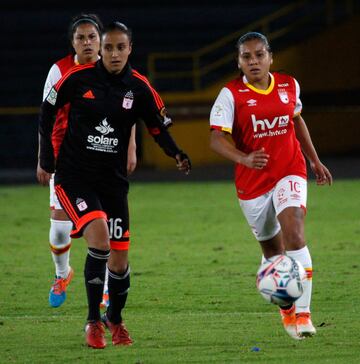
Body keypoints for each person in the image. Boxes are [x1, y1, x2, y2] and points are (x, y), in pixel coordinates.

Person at [37, 21, 191, 349]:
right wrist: (46, 158)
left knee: (119, 263)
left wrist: (175, 152)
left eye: (120, 47)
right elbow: (46, 112)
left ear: (130, 49)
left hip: (113, 183)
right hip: (75, 177)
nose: (114, 53)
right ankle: (93, 321)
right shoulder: (77, 79)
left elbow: (157, 126)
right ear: (101, 51)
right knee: (99, 239)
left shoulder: (139, 87)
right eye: (108, 48)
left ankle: (115, 319)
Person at [209, 32, 332, 340]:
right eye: (247, 57)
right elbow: (216, 139)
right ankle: (286, 308)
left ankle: (303, 315)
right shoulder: (231, 94)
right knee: (273, 252)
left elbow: (297, 120)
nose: (254, 61)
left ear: (270, 57)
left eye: (259, 55)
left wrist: (314, 161)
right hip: (252, 184)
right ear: (239, 61)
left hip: (289, 170)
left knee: (294, 232)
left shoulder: (289, 85)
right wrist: (244, 158)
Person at [37, 14, 137, 308]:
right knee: (59, 229)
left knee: (104, 225)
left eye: (93, 37)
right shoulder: (59, 70)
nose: (88, 42)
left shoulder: (111, 68)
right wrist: (42, 158)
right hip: (64, 159)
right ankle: (61, 273)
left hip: (102, 158)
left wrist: (130, 147)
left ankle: (106, 288)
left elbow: (128, 110)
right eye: (81, 38)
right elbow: (46, 116)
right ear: (73, 43)